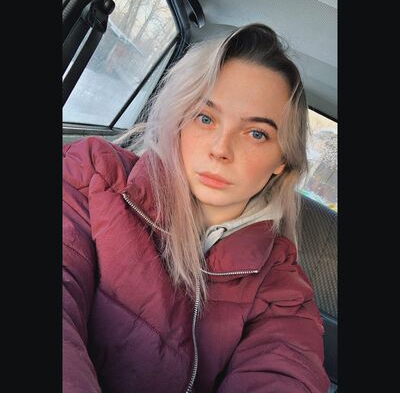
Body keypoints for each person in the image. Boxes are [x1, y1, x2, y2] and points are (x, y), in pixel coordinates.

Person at [63, 23, 330, 392]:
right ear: (179, 120)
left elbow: (286, 371)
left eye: (256, 133)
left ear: (282, 161)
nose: (220, 149)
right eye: (205, 118)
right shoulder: (93, 174)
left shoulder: (280, 285)